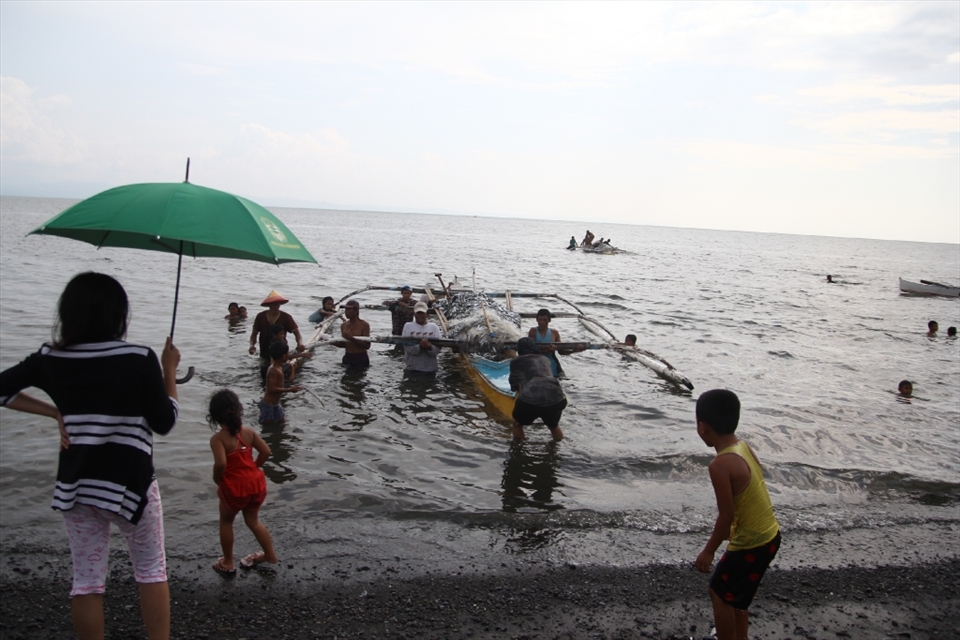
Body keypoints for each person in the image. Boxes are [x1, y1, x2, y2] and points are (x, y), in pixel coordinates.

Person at [0, 272, 180, 640]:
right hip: (133, 487)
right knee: (150, 571)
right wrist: (169, 372)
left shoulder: (51, 357)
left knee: (86, 582)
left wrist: (54, 412)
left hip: (77, 488)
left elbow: (2, 390)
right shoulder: (138, 357)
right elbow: (165, 423)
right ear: (118, 315)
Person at [694, 389, 781, 640]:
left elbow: (726, 515)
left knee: (719, 592)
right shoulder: (743, 446)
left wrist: (709, 550)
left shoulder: (719, 464)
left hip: (750, 543)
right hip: (770, 536)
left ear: (702, 427)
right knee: (738, 598)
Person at [207, 389, 278, 576]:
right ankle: (270, 554)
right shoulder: (248, 432)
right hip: (256, 484)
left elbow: (221, 462)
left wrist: (217, 478)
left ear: (214, 416)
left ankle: (228, 562)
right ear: (238, 410)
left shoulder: (218, 439)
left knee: (226, 521)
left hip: (235, 488)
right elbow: (267, 452)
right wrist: (254, 467)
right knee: (253, 521)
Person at [509, 337, 568, 441]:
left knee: (517, 424)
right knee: (553, 426)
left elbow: (514, 385)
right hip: (557, 397)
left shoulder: (516, 362)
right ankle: (557, 448)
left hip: (531, 399)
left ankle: (519, 450)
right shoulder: (545, 359)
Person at [528, 308, 584, 378]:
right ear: (537, 320)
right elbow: (531, 351)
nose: (542, 322)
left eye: (545, 320)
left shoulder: (554, 333)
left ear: (549, 320)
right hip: (537, 364)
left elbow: (561, 351)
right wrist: (547, 350)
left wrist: (575, 350)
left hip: (552, 365)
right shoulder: (533, 331)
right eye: (540, 320)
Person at [249, 290, 305, 357]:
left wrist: (300, 344)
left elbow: (297, 333)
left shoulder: (286, 317)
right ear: (269, 304)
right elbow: (254, 334)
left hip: (281, 350)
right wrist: (252, 346)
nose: (277, 305)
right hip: (264, 350)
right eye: (274, 303)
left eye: (278, 303)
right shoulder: (261, 316)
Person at [260, 341, 302, 424]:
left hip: (276, 403)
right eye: (288, 353)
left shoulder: (279, 368)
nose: (289, 355)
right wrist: (290, 390)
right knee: (268, 425)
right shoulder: (273, 370)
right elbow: (272, 389)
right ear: (284, 356)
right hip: (268, 404)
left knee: (281, 422)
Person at [402, 302, 443, 375]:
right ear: (414, 314)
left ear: (427, 314)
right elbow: (407, 347)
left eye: (422, 313)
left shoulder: (434, 327)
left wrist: (430, 347)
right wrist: (419, 347)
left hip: (431, 369)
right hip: (412, 368)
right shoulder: (408, 326)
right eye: (418, 313)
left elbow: (438, 348)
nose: (420, 315)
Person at [337, 299, 371, 368]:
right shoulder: (344, 325)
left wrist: (351, 338)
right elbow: (344, 345)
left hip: (360, 357)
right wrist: (331, 342)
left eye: (349, 310)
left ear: (356, 311)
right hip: (348, 356)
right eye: (346, 309)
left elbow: (367, 346)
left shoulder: (364, 325)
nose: (346, 312)